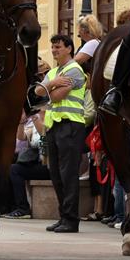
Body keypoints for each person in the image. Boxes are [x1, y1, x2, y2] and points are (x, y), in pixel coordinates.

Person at [34, 34, 87, 233]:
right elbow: (38, 93)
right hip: (54, 127)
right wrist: (53, 82)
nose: (55, 50)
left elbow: (55, 97)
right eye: (53, 47)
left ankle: (71, 220)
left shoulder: (75, 70)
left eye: (58, 47)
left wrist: (49, 88)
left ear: (69, 49)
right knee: (55, 174)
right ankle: (63, 216)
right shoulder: (56, 72)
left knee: (68, 174)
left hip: (71, 126)